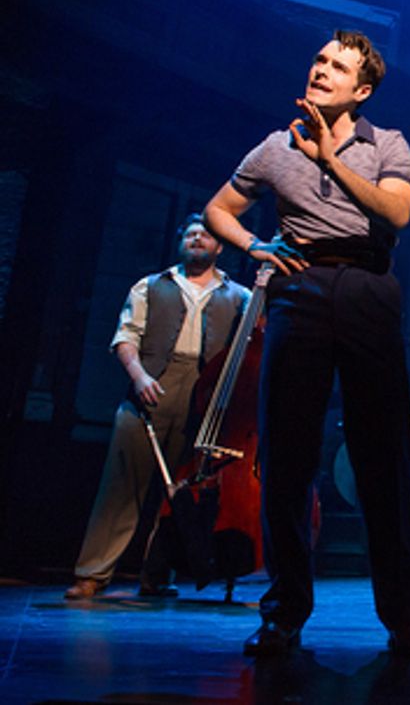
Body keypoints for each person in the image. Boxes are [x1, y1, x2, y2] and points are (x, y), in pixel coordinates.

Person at [203, 30, 410, 656]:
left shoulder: (388, 143)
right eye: (319, 60)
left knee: (383, 458)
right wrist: (256, 246)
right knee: (285, 457)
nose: (321, 70)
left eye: (338, 66)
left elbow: (397, 214)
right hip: (297, 286)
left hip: (366, 286)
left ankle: (404, 617)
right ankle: (282, 614)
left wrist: (329, 157)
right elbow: (217, 211)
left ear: (361, 90)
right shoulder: (276, 146)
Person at [65, 215, 250, 601]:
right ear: (181, 241)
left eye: (206, 234)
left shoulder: (240, 296)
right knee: (121, 485)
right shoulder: (150, 286)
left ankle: (156, 577)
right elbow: (125, 337)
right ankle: (92, 574)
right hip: (151, 387)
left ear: (220, 247)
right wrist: (139, 377)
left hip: (203, 397)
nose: (197, 238)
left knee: (179, 492)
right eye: (191, 233)